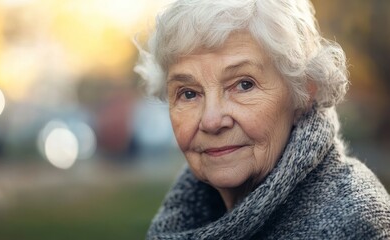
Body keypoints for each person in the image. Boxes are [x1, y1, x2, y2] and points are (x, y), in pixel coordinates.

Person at [134, 0, 390, 239]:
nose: (211, 120)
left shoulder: (354, 223)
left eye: (244, 85)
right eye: (189, 93)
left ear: (303, 93)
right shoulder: (179, 215)